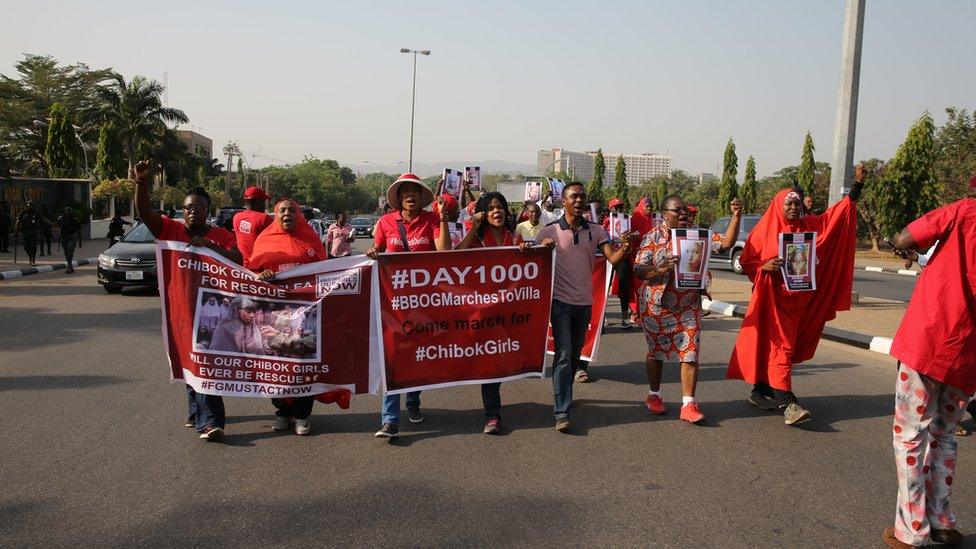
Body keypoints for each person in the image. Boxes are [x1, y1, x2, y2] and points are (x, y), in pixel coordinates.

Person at [726, 166, 865, 426]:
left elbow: (835, 219)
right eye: (788, 203)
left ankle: (761, 391)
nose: (792, 207)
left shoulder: (809, 226)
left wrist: (856, 188)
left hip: (801, 302)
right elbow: (747, 261)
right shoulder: (764, 229)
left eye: (796, 203)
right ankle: (789, 403)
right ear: (779, 205)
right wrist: (763, 267)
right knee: (782, 347)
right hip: (772, 301)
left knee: (778, 347)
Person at [881, 176, 976, 549]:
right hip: (968, 353)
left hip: (929, 338)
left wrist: (897, 245)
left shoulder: (964, 210)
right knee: (946, 434)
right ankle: (943, 521)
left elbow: (905, 238)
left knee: (910, 435)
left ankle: (911, 529)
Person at [133, 160, 242, 441]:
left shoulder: (220, 235)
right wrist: (141, 183)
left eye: (199, 207)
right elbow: (145, 213)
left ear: (209, 211)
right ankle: (196, 412)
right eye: (188, 208)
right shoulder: (171, 230)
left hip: (212, 312)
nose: (193, 212)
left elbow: (238, 259)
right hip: (180, 311)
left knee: (205, 360)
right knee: (189, 361)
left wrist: (210, 247)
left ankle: (209, 422)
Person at [531, 181, 633, 433]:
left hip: (585, 304)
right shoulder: (549, 231)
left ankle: (565, 394)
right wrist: (538, 249)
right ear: (562, 201)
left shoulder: (596, 231)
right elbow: (531, 263)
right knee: (564, 355)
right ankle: (561, 411)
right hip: (560, 304)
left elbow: (612, 258)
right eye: (574, 196)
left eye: (582, 197)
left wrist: (627, 247)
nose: (579, 201)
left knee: (575, 356)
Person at [633, 196, 742, 424]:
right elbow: (639, 269)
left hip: (688, 305)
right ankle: (654, 396)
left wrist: (736, 215)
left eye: (685, 210)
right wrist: (659, 268)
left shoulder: (697, 235)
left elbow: (725, 243)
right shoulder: (652, 237)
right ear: (664, 213)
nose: (684, 214)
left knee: (690, 351)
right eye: (677, 210)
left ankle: (688, 403)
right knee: (656, 352)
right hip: (657, 304)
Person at [365, 173, 451, 438]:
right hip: (393, 304)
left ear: (422, 197)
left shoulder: (432, 220)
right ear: (399, 197)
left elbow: (444, 252)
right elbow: (376, 251)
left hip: (425, 303)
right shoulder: (386, 222)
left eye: (415, 191)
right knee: (393, 358)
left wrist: (444, 217)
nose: (411, 196)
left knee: (417, 357)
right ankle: (390, 419)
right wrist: (371, 252)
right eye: (406, 192)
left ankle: (412, 401)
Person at [246, 198, 328, 436]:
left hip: (305, 315)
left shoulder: (311, 240)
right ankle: (282, 411)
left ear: (299, 215)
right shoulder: (264, 240)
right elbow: (251, 273)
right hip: (274, 315)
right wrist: (262, 274)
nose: (287, 214)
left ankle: (302, 415)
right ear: (275, 214)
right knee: (275, 362)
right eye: (282, 210)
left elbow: (324, 272)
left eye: (292, 210)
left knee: (303, 362)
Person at [456, 191, 522, 435]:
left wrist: (529, 249)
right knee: (489, 363)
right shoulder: (477, 239)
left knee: (500, 360)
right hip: (481, 312)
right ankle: (492, 415)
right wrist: (473, 228)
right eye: (492, 208)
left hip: (509, 312)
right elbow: (457, 255)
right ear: (483, 213)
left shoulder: (515, 237)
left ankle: (493, 409)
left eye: (501, 207)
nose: (497, 212)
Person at [603, 198, 635, 329]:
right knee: (604, 287)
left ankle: (624, 318)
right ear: (610, 209)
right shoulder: (605, 221)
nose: (619, 210)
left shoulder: (627, 221)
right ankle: (602, 318)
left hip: (622, 256)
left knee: (624, 286)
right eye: (616, 208)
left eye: (620, 208)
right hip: (609, 256)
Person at [232, 185, 273, 264]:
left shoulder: (236, 217)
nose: (265, 205)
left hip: (242, 266)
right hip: (259, 266)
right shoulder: (264, 218)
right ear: (258, 201)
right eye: (264, 201)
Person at [56, 207, 83, 273]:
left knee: (70, 250)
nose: (67, 213)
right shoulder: (61, 219)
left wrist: (80, 241)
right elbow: (59, 229)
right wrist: (58, 240)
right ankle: (69, 265)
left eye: (69, 212)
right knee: (66, 252)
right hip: (63, 237)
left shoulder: (75, 220)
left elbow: (79, 231)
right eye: (66, 212)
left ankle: (69, 265)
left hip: (72, 237)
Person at [16, 201, 43, 266]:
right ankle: (30, 257)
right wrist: (16, 230)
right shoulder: (23, 213)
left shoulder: (36, 213)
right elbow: (18, 221)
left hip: (34, 231)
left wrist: (42, 227)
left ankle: (32, 259)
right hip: (25, 231)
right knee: (26, 247)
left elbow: (41, 220)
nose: (30, 206)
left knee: (33, 246)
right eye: (29, 205)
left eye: (31, 205)